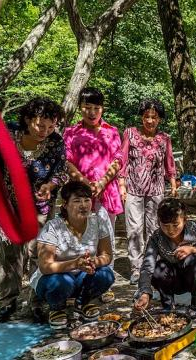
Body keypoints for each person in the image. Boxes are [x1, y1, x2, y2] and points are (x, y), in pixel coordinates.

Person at [0, 98, 67, 323]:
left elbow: (62, 170)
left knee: (39, 253)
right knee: (10, 253)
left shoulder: (56, 143)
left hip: (40, 207)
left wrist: (50, 185)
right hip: (9, 205)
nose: (44, 131)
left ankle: (37, 301)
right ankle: (8, 300)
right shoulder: (7, 135)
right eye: (39, 125)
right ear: (27, 119)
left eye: (50, 126)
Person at [63, 87, 123, 303]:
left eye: (96, 107)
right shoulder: (71, 132)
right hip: (80, 195)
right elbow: (67, 161)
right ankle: (78, 284)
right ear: (80, 108)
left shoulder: (112, 131)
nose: (92, 112)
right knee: (78, 239)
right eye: (87, 107)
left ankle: (104, 284)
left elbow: (118, 160)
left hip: (107, 194)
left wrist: (102, 182)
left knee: (107, 239)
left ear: (102, 108)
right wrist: (86, 183)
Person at [30, 181, 115, 329]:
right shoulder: (53, 227)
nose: (83, 205)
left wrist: (94, 262)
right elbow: (45, 266)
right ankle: (57, 307)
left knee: (106, 274)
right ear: (65, 204)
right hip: (54, 279)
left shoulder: (98, 222)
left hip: (82, 276)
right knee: (63, 282)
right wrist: (75, 264)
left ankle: (82, 303)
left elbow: (107, 254)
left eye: (87, 200)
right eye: (77, 201)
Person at [119, 99, 177, 285]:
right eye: (146, 117)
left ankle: (153, 266)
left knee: (154, 229)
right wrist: (121, 183)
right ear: (141, 117)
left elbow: (169, 162)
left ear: (159, 119)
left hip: (156, 190)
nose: (150, 121)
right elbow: (123, 159)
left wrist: (173, 182)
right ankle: (136, 268)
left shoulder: (164, 138)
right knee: (134, 229)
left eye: (154, 117)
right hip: (133, 189)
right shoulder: (130, 133)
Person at [133, 198, 196, 319]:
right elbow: (147, 267)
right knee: (158, 268)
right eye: (165, 225)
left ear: (185, 220)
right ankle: (168, 307)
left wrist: (194, 249)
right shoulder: (156, 238)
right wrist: (145, 293)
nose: (170, 230)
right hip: (174, 281)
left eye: (175, 225)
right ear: (158, 222)